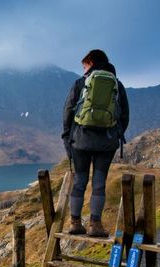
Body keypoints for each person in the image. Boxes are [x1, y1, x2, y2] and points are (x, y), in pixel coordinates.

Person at [61, 49, 129, 236]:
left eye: (85, 66)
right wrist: (115, 133)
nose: (84, 70)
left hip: (80, 141)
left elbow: (68, 111)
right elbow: (124, 115)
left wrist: (67, 136)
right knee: (99, 182)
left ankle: (75, 222)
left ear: (91, 62)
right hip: (106, 142)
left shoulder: (80, 83)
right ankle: (95, 225)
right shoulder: (117, 85)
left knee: (80, 180)